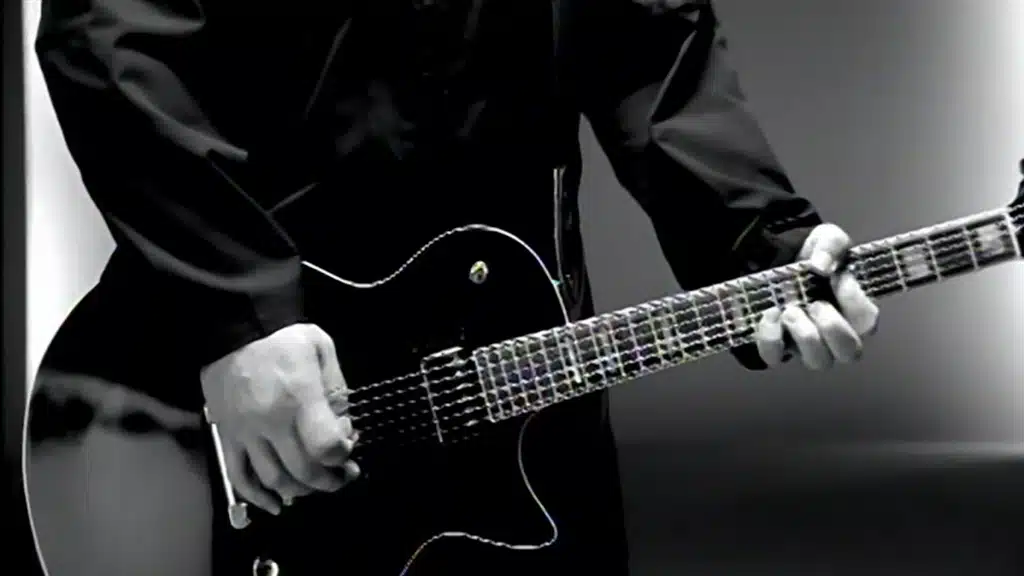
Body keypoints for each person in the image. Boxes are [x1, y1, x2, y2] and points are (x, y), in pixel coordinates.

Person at [34, 0, 879, 574]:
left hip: (524, 371)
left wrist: (758, 242)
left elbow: (651, 42)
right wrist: (242, 315)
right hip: (258, 381)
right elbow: (107, 35)